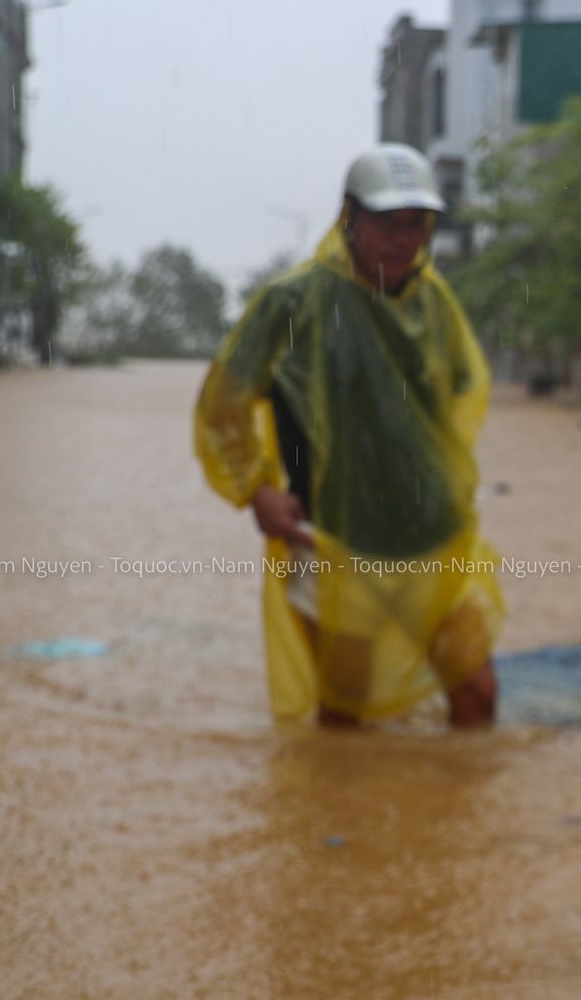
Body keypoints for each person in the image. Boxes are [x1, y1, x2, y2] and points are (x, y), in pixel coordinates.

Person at [195, 144, 504, 729]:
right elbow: (223, 406)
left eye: (417, 225)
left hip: (433, 540)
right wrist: (256, 489)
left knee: (478, 696)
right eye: (388, 224)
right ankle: (339, 820)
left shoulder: (435, 304)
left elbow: (460, 398)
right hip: (335, 542)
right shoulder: (294, 302)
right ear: (349, 218)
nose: (403, 239)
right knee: (345, 715)